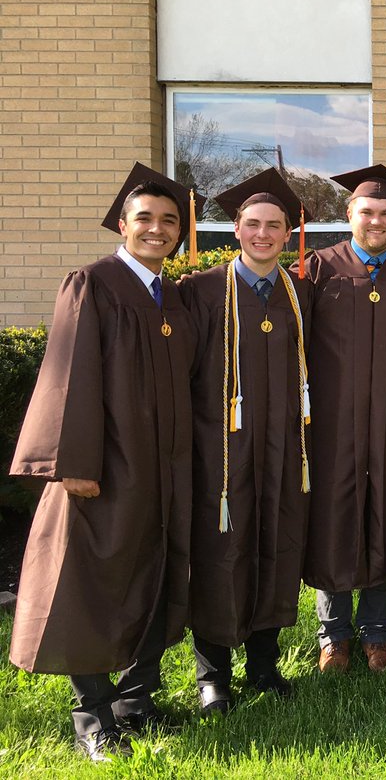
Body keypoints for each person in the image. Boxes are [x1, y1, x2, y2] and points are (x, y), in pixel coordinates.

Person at [8, 165, 200, 761]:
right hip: (105, 467)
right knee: (89, 580)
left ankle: (135, 700)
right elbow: (68, 378)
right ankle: (92, 714)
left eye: (170, 221)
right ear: (123, 223)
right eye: (145, 218)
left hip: (165, 466)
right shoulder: (92, 283)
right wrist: (73, 463)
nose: (158, 229)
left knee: (156, 571)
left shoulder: (173, 295)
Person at [179, 169, 313, 713]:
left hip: (283, 447)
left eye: (274, 226)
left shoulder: (300, 294)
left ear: (287, 234)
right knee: (221, 551)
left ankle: (264, 663)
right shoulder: (200, 291)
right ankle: (213, 674)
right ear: (236, 229)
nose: (263, 234)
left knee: (276, 546)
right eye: (253, 224)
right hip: (222, 453)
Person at [295, 164, 386, 674]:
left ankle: (377, 633)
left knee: (382, 517)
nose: (377, 221)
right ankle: (333, 635)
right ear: (348, 213)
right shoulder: (317, 269)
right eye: (367, 212)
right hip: (333, 426)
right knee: (335, 519)